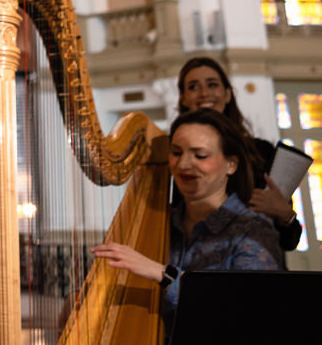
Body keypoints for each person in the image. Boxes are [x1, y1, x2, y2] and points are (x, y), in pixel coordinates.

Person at [92, 109, 282, 330]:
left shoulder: (253, 232)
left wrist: (163, 274)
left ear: (231, 164)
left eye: (200, 155)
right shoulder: (161, 222)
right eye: (176, 152)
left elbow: (247, 314)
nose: (183, 164)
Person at [175, 56, 301, 254]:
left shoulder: (262, 152)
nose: (204, 93)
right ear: (183, 98)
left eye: (212, 84)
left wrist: (284, 214)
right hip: (198, 268)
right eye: (193, 87)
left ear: (227, 94)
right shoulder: (177, 159)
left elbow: (290, 241)